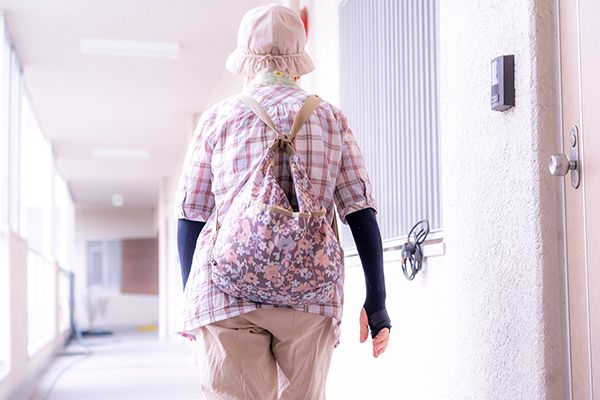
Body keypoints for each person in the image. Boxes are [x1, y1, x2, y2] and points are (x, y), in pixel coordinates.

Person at [176, 4, 391, 399]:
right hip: (310, 296)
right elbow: (360, 210)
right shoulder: (330, 119)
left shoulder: (218, 118)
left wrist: (191, 298)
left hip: (227, 294)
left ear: (246, 63)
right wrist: (376, 300)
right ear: (298, 64)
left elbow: (191, 215)